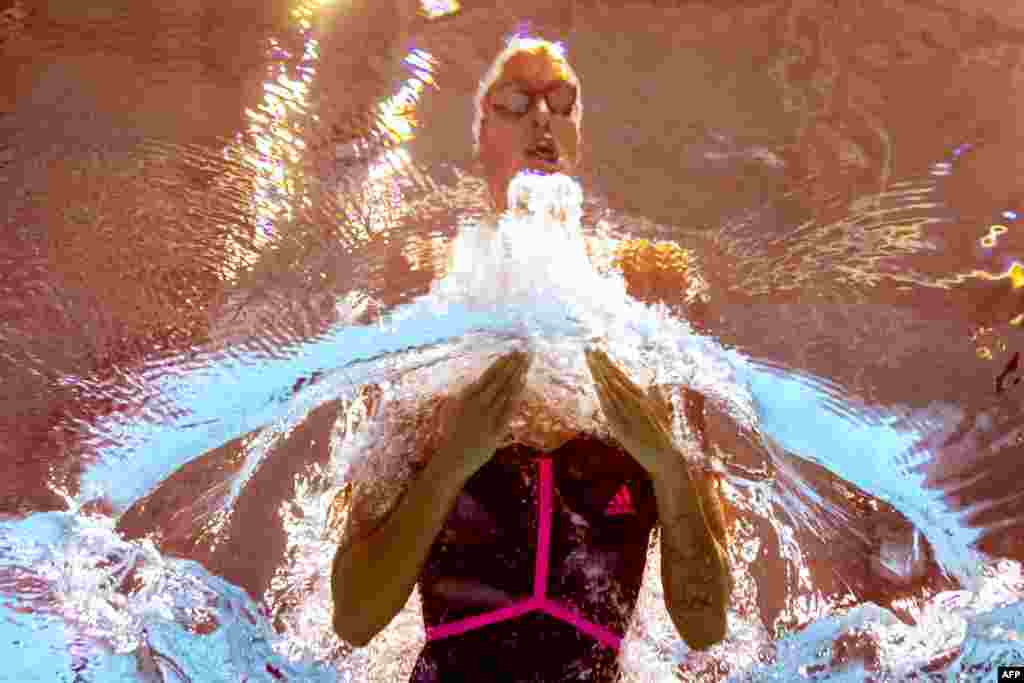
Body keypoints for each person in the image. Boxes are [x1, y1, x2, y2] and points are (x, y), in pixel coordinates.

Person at [330, 36, 732, 682]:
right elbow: (353, 615)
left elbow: (706, 624)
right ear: (481, 134)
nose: (542, 117)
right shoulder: (424, 284)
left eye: (561, 102)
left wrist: (665, 464)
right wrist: (453, 462)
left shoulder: (654, 284)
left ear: (580, 137)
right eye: (515, 102)